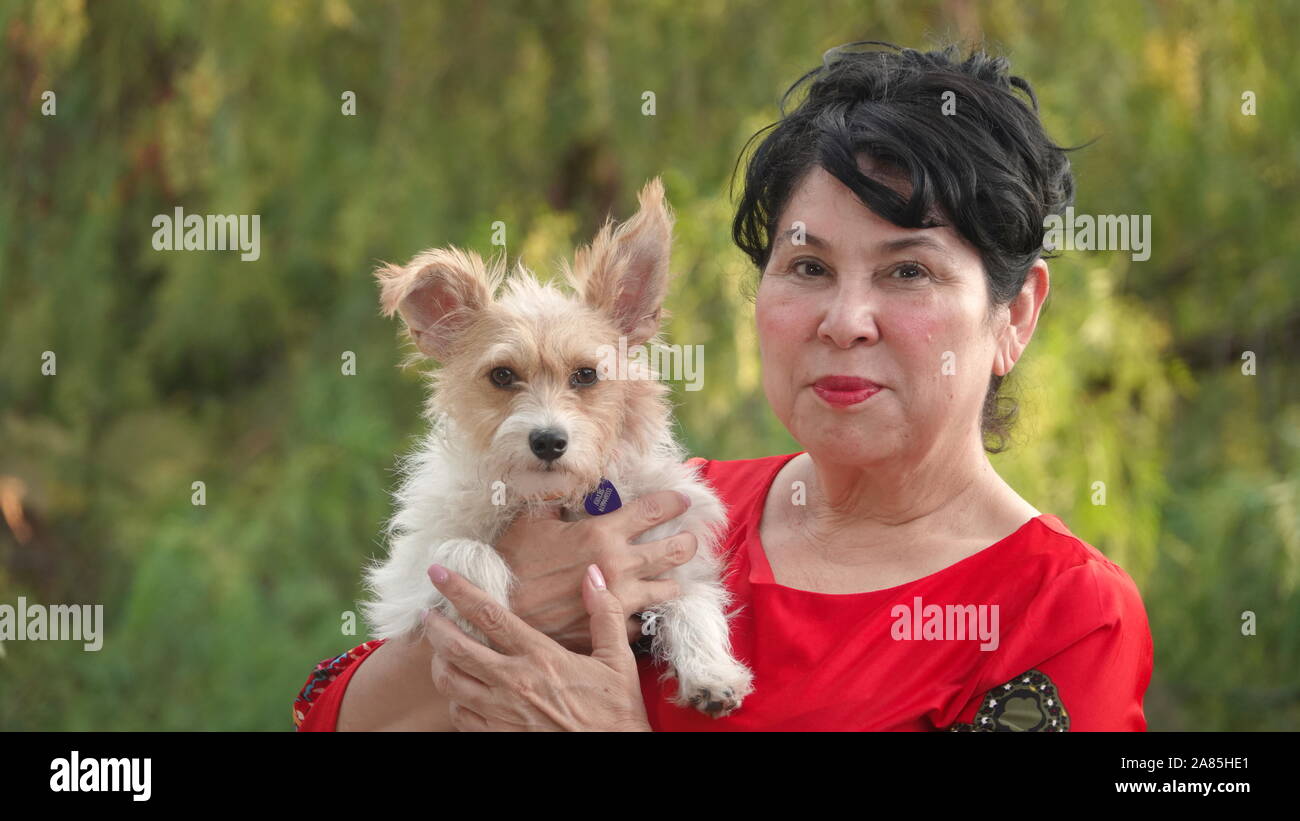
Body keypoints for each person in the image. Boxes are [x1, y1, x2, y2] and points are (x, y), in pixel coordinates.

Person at [294, 41, 1153, 732]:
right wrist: (501, 604)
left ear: (1016, 315)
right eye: (809, 265)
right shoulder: (655, 515)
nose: (846, 319)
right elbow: (336, 717)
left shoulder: (1063, 616)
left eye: (910, 272)